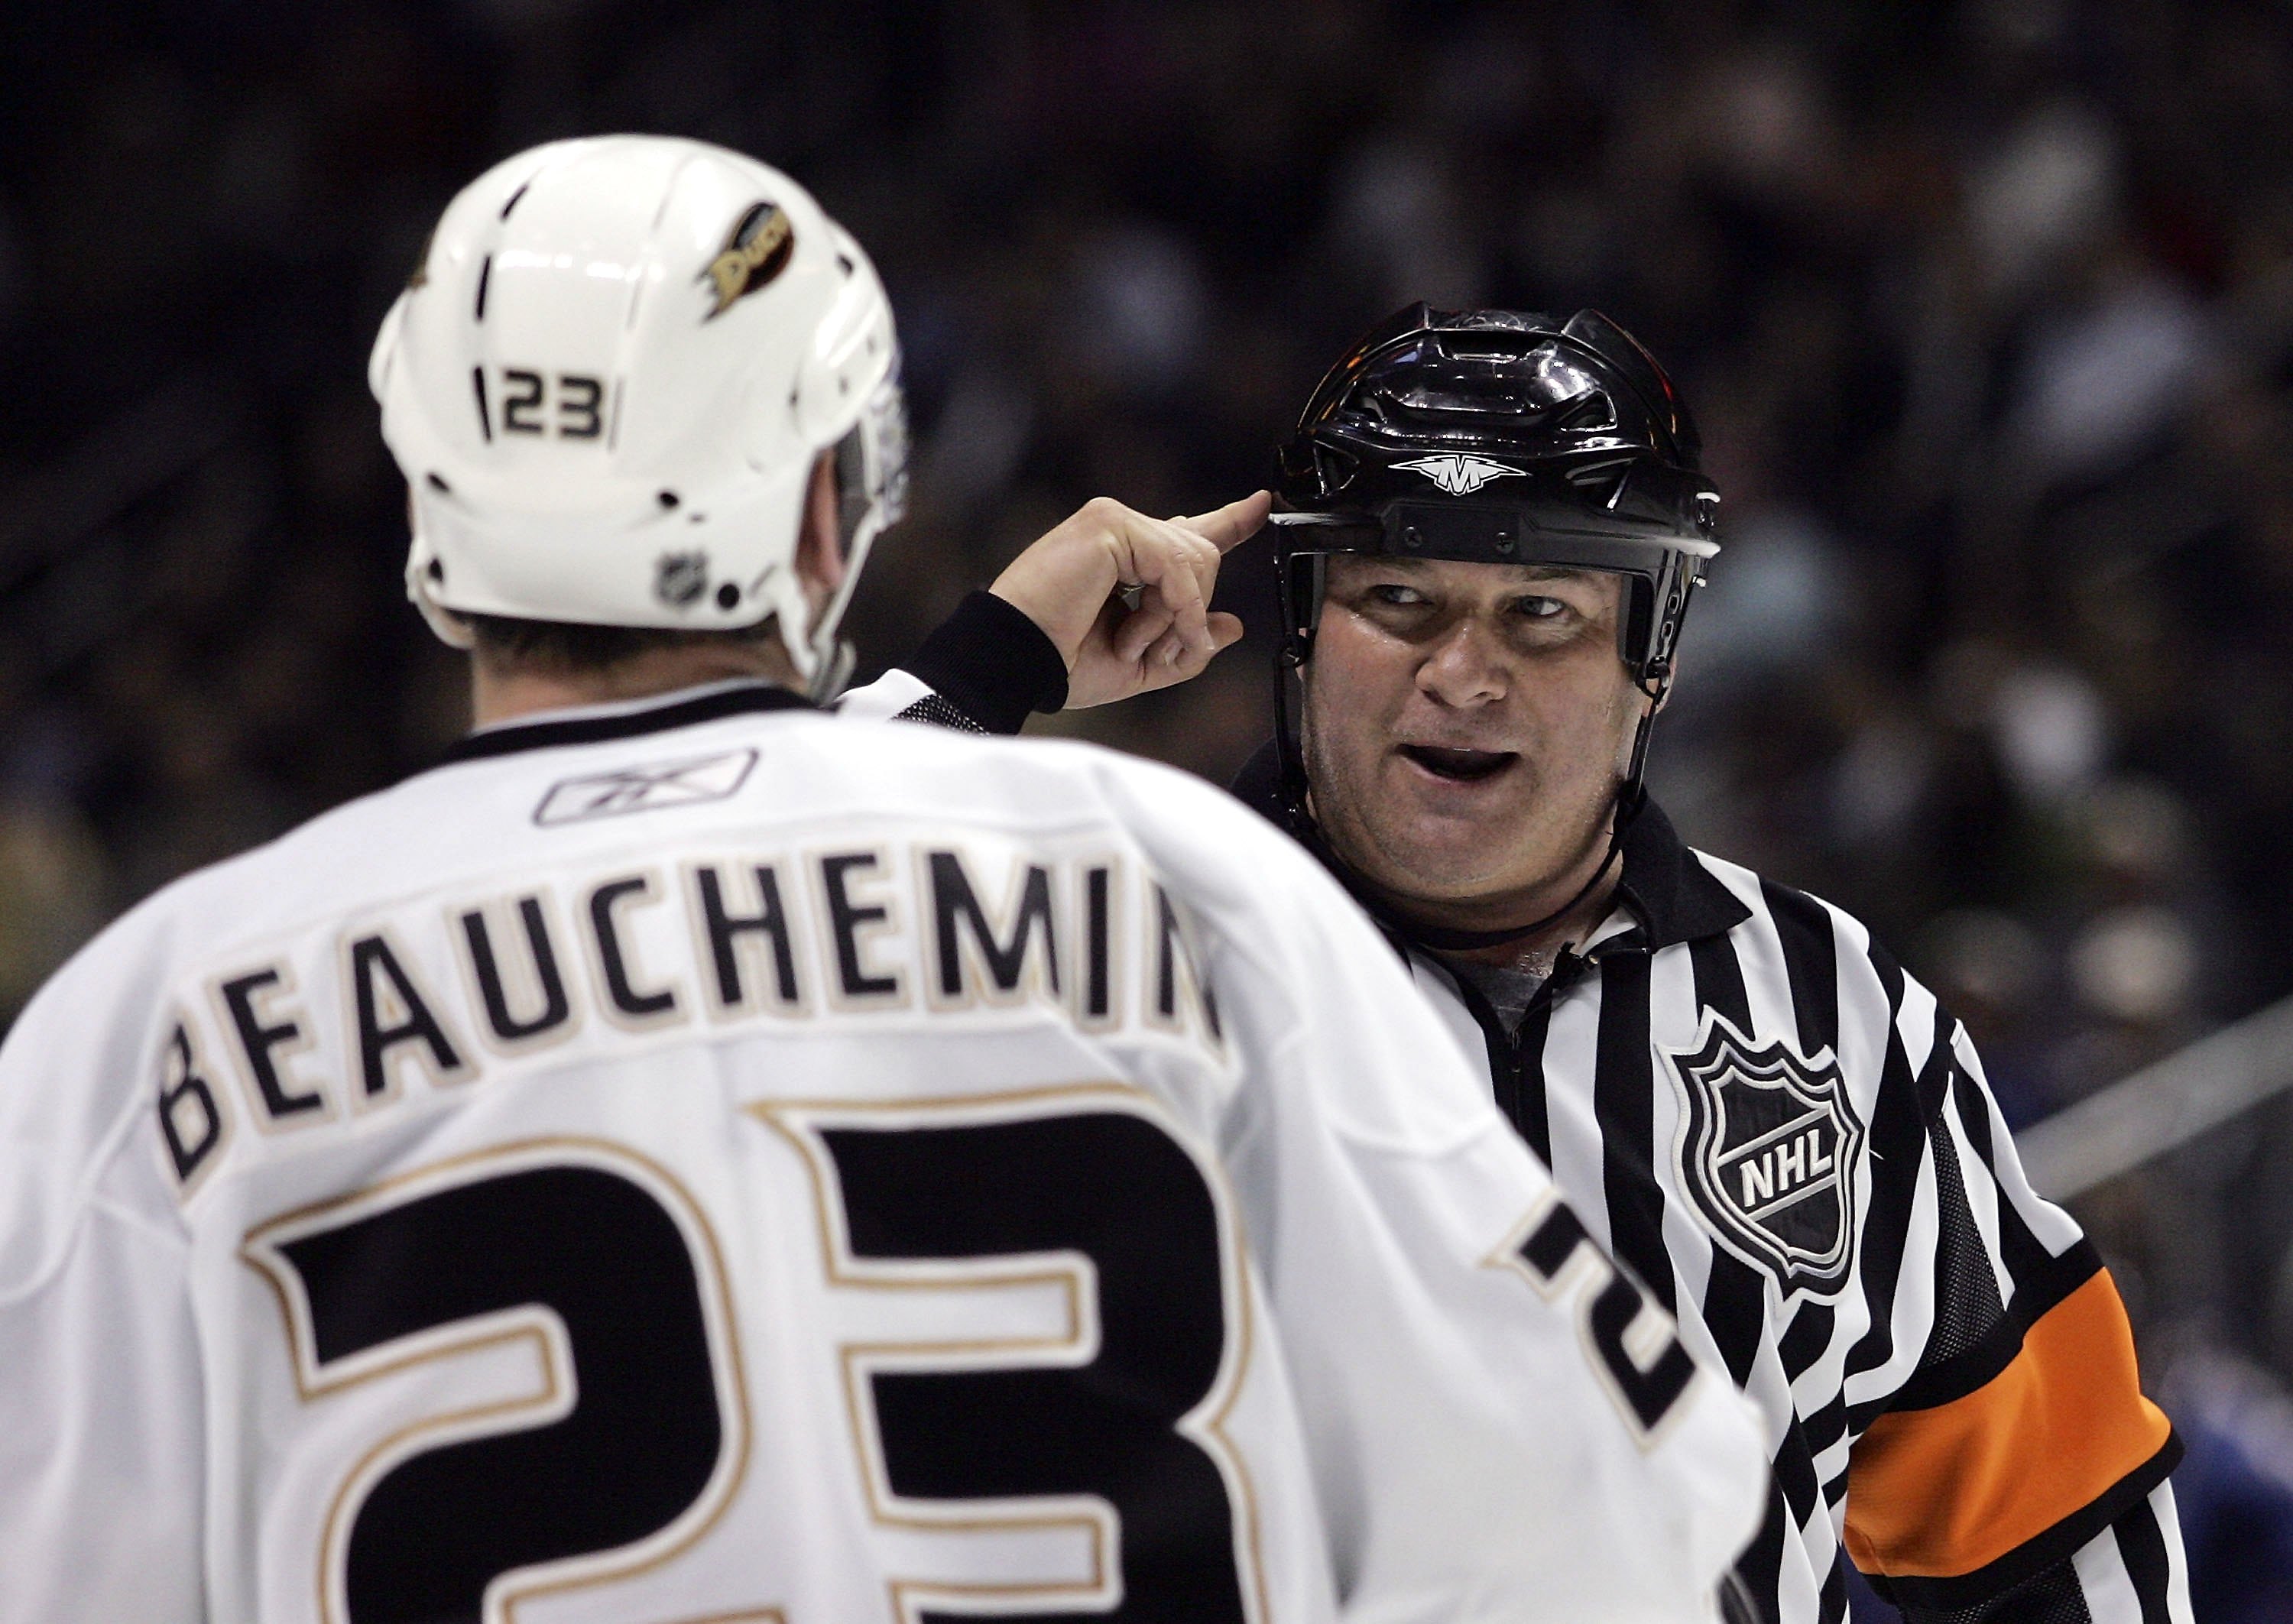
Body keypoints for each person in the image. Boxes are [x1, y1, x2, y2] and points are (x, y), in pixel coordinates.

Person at [0, 140, 1768, 1622]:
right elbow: (1617, 1504)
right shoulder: (1173, 889)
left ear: (425, 502)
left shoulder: (140, 1033)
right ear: (829, 512)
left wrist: (970, 678)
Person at [963, 307, 2193, 1624]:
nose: (1462, 674)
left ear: (1653, 652)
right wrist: (981, 669)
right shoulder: (1097, 971)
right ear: (1305, 624)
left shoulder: (1834, 1011)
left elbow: (2056, 1524)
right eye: (1398, 600)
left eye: (1541, 610)